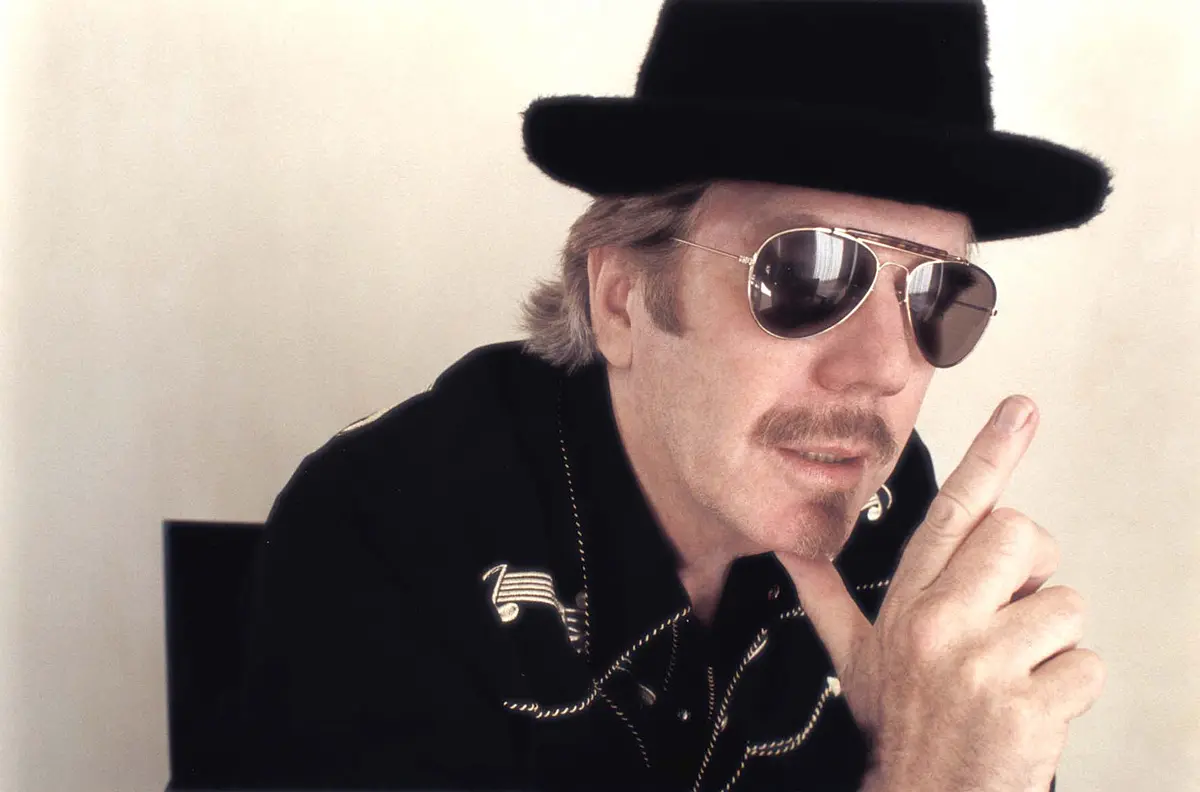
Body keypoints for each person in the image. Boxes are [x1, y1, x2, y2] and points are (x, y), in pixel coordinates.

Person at [235, 1, 1112, 790]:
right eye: (807, 272)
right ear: (622, 300)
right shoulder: (395, 522)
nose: (883, 368)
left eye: (937, 294)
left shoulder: (900, 522)